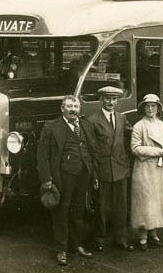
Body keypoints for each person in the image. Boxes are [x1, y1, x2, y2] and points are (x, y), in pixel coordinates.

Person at [37, 95, 97, 266]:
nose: (73, 109)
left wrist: (94, 174)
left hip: (83, 175)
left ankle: (76, 245)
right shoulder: (51, 127)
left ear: (80, 109)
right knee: (61, 213)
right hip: (62, 177)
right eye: (69, 106)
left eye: (76, 106)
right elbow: (42, 156)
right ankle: (61, 250)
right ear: (62, 108)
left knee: (78, 212)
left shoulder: (86, 125)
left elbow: (92, 150)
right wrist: (46, 179)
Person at [88, 86, 134, 252]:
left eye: (114, 99)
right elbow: (91, 149)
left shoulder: (122, 118)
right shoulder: (93, 120)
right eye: (107, 98)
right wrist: (94, 173)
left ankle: (121, 238)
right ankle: (100, 238)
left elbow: (133, 135)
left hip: (121, 168)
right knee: (102, 207)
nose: (111, 102)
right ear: (102, 99)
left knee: (121, 206)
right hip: (103, 169)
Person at [131, 94, 163, 250]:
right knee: (145, 202)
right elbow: (135, 149)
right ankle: (142, 238)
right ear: (143, 108)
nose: (150, 109)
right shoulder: (138, 126)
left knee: (157, 201)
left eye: (153, 106)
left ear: (158, 108)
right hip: (144, 169)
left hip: (160, 167)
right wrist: (158, 152)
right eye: (147, 106)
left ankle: (153, 234)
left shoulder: (162, 125)